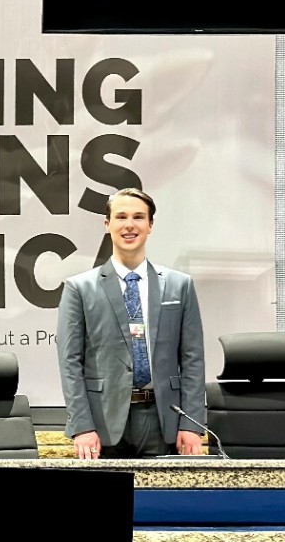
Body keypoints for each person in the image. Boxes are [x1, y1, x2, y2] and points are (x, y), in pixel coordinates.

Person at [56, 187, 206, 459]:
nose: (129, 225)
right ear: (107, 224)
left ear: (150, 225)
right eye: (121, 217)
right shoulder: (79, 288)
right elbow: (70, 363)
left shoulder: (179, 285)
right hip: (102, 424)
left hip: (164, 421)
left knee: (164, 502)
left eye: (138, 217)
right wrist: (82, 427)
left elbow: (193, 358)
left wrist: (192, 424)